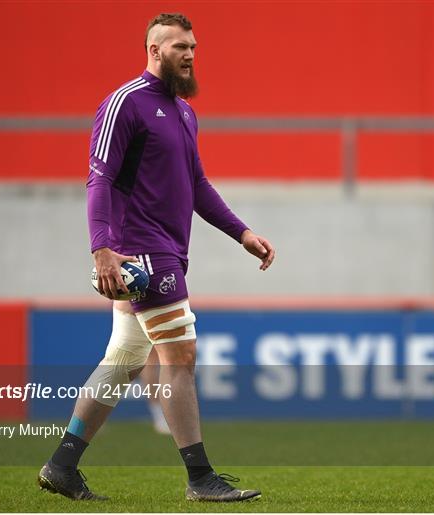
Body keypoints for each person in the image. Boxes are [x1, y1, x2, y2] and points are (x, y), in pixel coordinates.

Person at [38, 12, 275, 502]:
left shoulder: (185, 113)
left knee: (124, 358)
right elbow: (98, 179)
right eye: (179, 47)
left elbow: (198, 187)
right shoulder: (125, 104)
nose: (189, 55)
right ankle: (200, 478)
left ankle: (62, 465)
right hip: (140, 253)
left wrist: (242, 233)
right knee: (181, 355)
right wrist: (102, 250)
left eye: (192, 47)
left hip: (166, 250)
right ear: (154, 50)